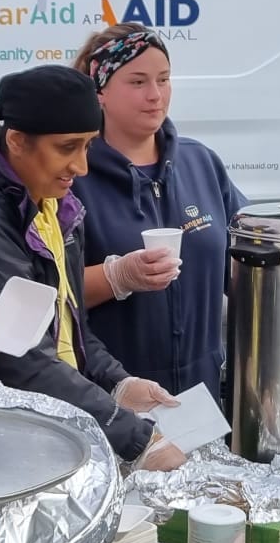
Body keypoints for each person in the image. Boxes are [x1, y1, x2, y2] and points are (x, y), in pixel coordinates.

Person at [0, 65, 182, 468]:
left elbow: (69, 329)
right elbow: (18, 358)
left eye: (88, 145)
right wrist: (136, 439)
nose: (81, 167)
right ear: (17, 141)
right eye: (67, 147)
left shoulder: (52, 203)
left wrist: (117, 382)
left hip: (40, 428)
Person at [66, 25, 243, 401]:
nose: (155, 95)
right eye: (137, 82)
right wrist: (119, 276)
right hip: (113, 395)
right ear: (100, 92)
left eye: (164, 79)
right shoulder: (74, 177)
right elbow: (49, 294)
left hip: (201, 394)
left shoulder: (200, 163)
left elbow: (247, 260)